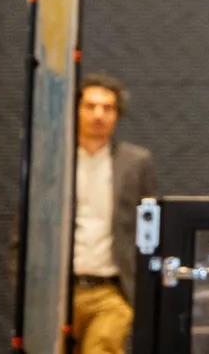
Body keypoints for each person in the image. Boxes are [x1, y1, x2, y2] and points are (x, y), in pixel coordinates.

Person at [71, 73, 157, 354]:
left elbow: (150, 228)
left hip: (111, 289)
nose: (99, 115)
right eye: (90, 106)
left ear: (117, 115)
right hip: (57, 289)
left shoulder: (135, 162)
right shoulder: (53, 160)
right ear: (75, 110)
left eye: (107, 108)